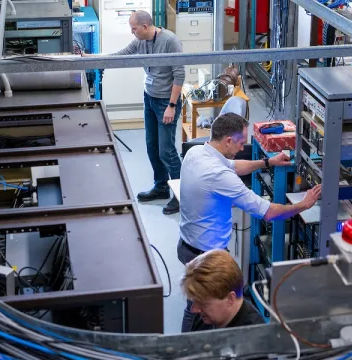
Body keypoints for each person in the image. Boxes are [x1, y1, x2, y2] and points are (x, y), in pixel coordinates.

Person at [176, 112, 322, 330]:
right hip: (204, 254)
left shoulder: (197, 152)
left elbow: (234, 166)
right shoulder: (218, 175)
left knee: (198, 306)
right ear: (228, 141)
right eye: (241, 142)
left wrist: (267, 162)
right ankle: (192, 347)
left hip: (188, 244)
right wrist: (303, 204)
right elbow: (269, 212)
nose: (242, 146)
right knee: (201, 310)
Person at [109, 10, 186, 214]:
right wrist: (94, 60)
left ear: (144, 26)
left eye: (133, 29)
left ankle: (181, 195)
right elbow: (122, 55)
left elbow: (179, 75)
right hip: (150, 98)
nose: (132, 32)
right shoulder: (140, 41)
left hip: (166, 103)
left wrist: (171, 105)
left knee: (166, 151)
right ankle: (161, 187)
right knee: (152, 147)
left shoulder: (170, 41)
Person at [180, 250, 263, 332]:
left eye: (203, 304)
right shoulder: (206, 315)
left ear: (230, 299)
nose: (194, 309)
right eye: (194, 301)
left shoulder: (254, 338)